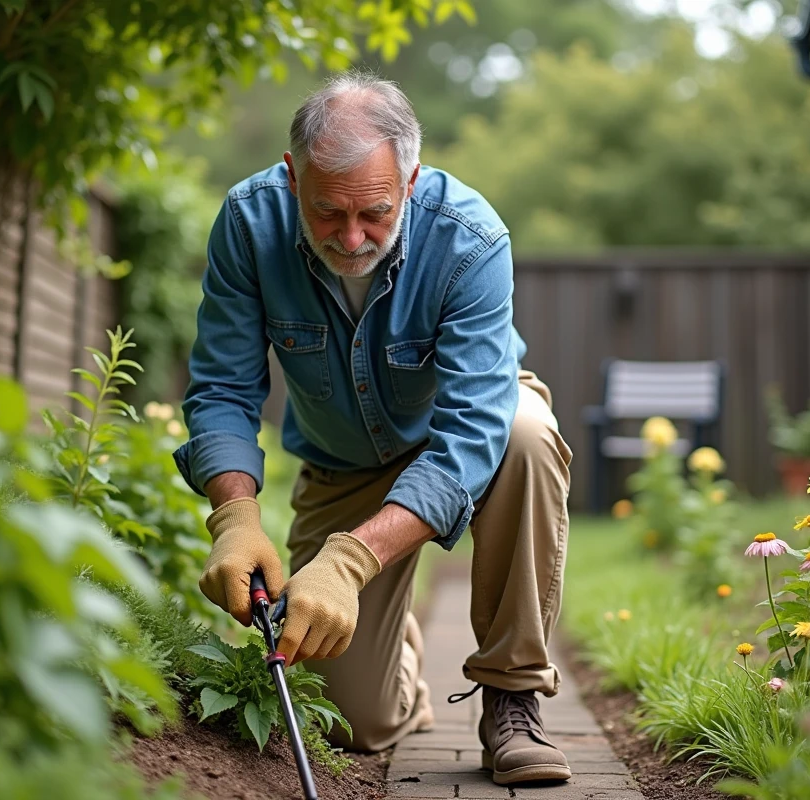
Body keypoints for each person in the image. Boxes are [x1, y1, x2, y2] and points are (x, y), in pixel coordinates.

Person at [173, 70, 574, 786]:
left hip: (468, 441)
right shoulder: (247, 222)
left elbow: (473, 430)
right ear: (294, 176)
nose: (352, 237)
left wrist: (351, 562)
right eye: (327, 212)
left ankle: (512, 694)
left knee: (525, 432)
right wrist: (234, 517)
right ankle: (398, 651)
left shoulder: (471, 239)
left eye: (376, 214)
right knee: (352, 722)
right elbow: (224, 387)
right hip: (344, 462)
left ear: (412, 181)